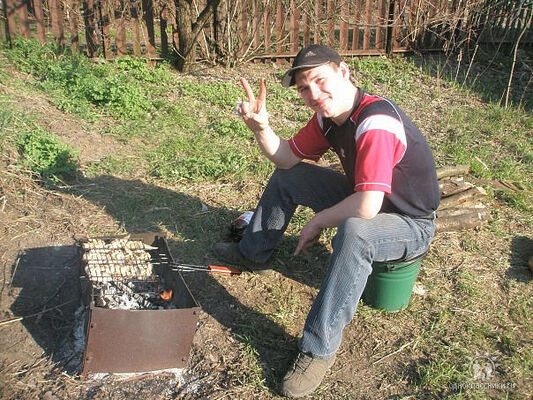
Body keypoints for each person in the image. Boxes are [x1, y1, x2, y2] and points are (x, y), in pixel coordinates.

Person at [213, 44, 440, 398]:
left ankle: (318, 349)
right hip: (367, 197)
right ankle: (252, 252)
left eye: (320, 80)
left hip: (410, 223)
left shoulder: (376, 122)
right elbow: (286, 159)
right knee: (290, 178)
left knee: (356, 231)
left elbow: (366, 207)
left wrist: (318, 221)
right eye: (304, 88)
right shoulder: (328, 119)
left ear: (344, 72)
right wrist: (261, 128)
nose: (314, 94)